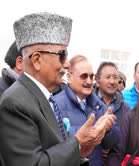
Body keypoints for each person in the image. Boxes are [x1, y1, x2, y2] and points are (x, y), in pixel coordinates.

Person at [0, 12, 116, 166]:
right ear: (36, 60)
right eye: (62, 55)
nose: (67, 64)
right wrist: (78, 144)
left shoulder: (46, 97)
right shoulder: (15, 103)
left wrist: (80, 150)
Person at [54, 56, 120, 166]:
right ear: (69, 77)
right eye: (84, 76)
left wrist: (108, 128)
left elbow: (112, 142)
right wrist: (94, 130)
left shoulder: (98, 105)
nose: (89, 81)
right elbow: (56, 142)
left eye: (91, 76)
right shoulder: (56, 104)